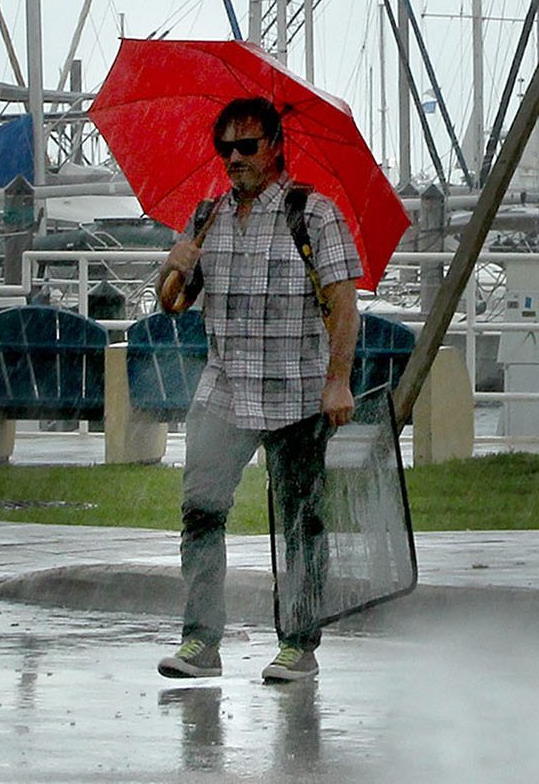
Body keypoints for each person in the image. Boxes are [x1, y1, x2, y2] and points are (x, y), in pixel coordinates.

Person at [154, 96, 361, 683]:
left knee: (299, 522)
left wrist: (338, 382)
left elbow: (344, 306)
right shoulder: (208, 216)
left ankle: (298, 643)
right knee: (201, 511)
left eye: (246, 146)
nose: (234, 158)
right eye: (224, 148)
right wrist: (174, 265)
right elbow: (172, 304)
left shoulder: (313, 215)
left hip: (297, 392)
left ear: (275, 148)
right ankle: (201, 640)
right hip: (224, 391)